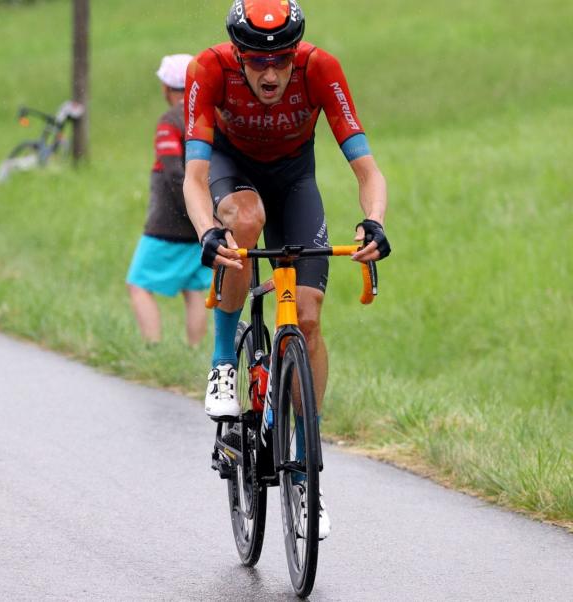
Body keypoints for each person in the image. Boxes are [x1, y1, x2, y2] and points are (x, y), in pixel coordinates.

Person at [184, 0, 392, 538]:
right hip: (234, 178)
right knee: (245, 222)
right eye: (257, 61)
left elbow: (367, 170)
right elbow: (194, 175)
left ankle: (306, 470)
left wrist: (373, 222)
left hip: (296, 181)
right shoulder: (208, 70)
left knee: (309, 316)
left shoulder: (321, 68)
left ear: (296, 53)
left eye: (281, 59)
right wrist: (210, 229)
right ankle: (224, 363)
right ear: (238, 54)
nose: (271, 72)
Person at [126, 54, 211, 347]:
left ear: (167, 87)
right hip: (203, 221)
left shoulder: (169, 122)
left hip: (168, 221)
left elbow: (175, 173)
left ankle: (152, 347)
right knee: (193, 287)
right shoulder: (207, 118)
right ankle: (195, 349)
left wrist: (187, 208)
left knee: (137, 283)